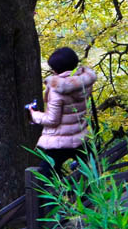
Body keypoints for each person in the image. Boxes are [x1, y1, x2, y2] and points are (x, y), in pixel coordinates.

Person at [28, 47, 97, 180]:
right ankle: (85, 199)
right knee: (90, 171)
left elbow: (52, 120)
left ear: (56, 69)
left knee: (45, 178)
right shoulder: (84, 83)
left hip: (58, 141)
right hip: (80, 136)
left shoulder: (57, 90)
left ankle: (59, 199)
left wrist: (34, 114)